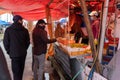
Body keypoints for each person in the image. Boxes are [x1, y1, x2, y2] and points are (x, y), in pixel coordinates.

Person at [3, 15, 30, 80]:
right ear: (19, 20)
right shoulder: (25, 30)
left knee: (16, 72)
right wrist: (24, 49)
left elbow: (5, 42)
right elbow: (27, 42)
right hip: (22, 54)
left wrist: (9, 51)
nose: (22, 21)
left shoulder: (8, 30)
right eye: (21, 20)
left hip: (14, 55)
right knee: (21, 71)